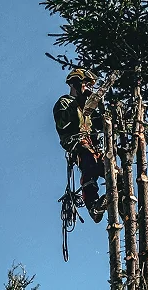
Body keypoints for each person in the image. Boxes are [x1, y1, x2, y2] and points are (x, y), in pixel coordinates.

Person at [53, 68, 107, 223]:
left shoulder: (87, 111)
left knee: (112, 170)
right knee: (89, 164)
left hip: (94, 146)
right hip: (77, 144)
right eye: (84, 84)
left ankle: (123, 205)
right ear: (75, 84)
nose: (87, 88)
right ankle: (93, 207)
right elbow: (63, 123)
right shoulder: (65, 102)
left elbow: (100, 123)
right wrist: (78, 102)